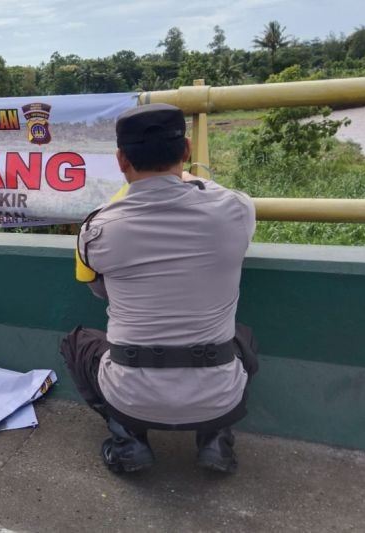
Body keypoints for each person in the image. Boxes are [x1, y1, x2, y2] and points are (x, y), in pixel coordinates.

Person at [61, 103, 258, 474]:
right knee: (242, 337)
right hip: (219, 394)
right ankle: (216, 440)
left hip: (130, 394)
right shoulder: (234, 212)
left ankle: (128, 440)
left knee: (76, 343)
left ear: (121, 160)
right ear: (185, 151)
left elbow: (99, 291)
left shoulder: (96, 230)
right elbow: (228, 197)